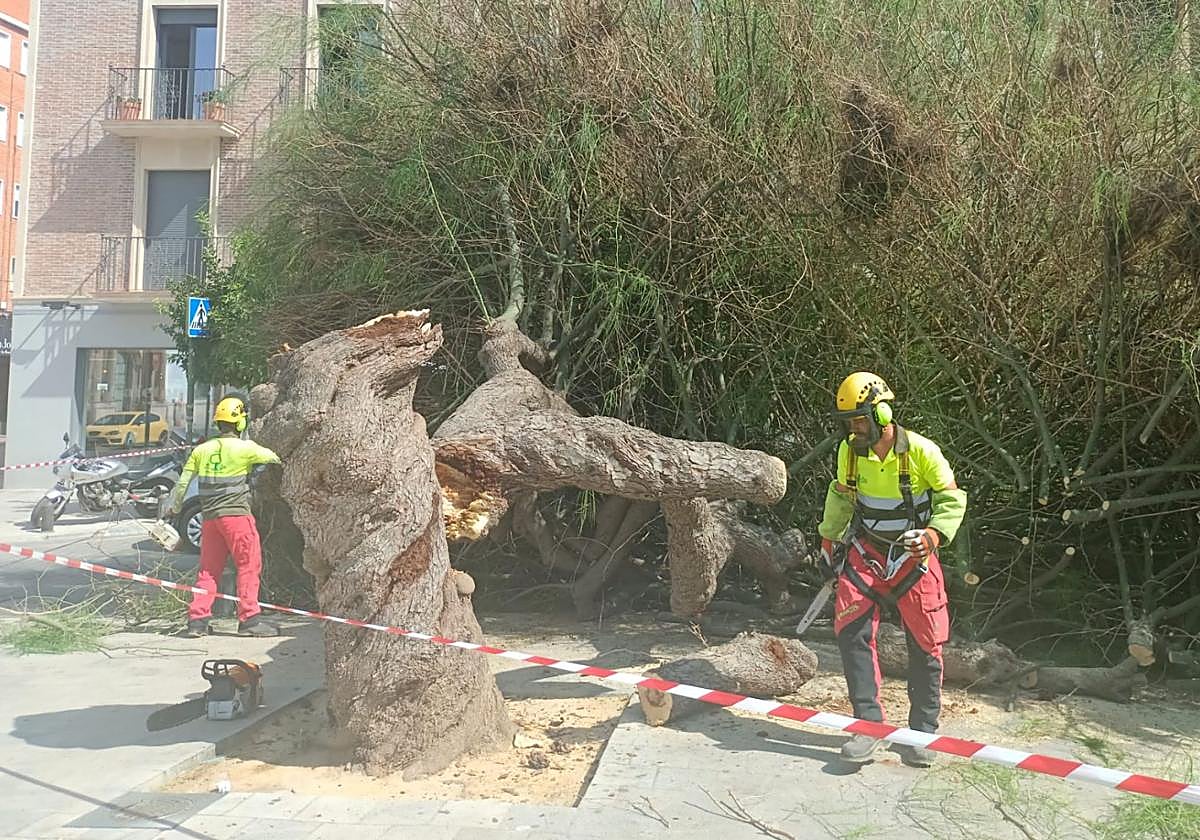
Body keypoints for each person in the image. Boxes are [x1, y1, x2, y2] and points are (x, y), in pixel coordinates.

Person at [816, 372, 967, 767]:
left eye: (861, 419)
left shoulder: (921, 451)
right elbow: (842, 496)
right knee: (851, 632)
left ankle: (920, 734)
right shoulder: (849, 453)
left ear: (882, 413)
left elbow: (951, 500)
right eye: (848, 421)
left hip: (913, 559)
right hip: (867, 553)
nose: (854, 428)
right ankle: (868, 726)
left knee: (926, 643)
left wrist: (933, 537)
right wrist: (829, 541)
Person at [164, 396, 281, 638]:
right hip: (237, 517)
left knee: (208, 571)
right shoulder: (246, 449)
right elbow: (274, 458)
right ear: (240, 423)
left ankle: (197, 621)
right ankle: (249, 619)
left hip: (209, 520)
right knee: (248, 566)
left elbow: (183, 483)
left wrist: (174, 509)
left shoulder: (201, 450)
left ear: (218, 422)